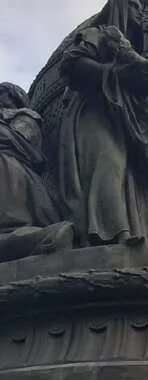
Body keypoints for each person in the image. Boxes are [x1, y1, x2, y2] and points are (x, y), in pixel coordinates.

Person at [57, 0, 148, 246]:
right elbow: (73, 66)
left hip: (120, 120)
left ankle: (127, 233)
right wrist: (116, 73)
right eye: (135, 7)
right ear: (120, 6)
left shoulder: (129, 51)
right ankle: (106, 235)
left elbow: (143, 86)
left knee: (127, 174)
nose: (140, 14)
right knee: (109, 164)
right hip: (95, 114)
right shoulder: (96, 34)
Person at [0, 82, 74, 262]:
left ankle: (32, 238)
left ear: (14, 95)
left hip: (12, 168)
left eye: (2, 92)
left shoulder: (26, 117)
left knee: (12, 218)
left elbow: (18, 140)